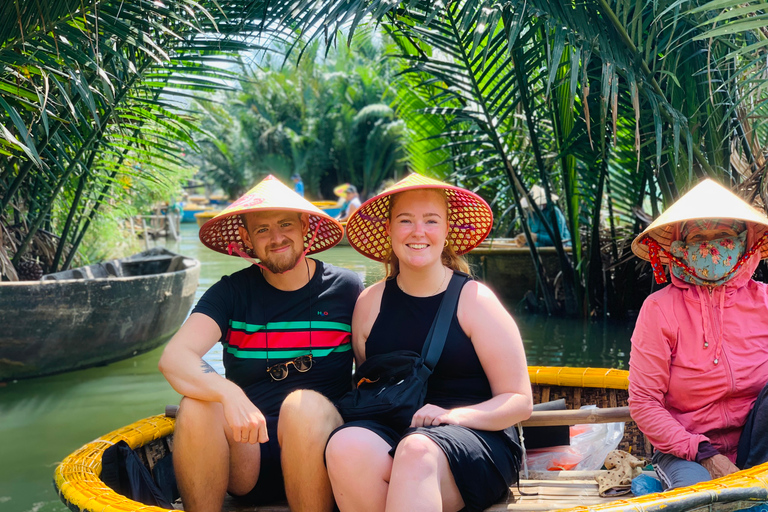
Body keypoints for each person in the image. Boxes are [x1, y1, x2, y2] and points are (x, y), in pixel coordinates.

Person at [326, 173, 533, 512]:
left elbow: (519, 401)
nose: (418, 231)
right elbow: (368, 380)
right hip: (395, 430)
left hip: (476, 435)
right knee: (345, 445)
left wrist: (454, 415)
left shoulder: (476, 300)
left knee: (417, 451)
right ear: (389, 230)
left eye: (431, 221)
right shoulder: (369, 303)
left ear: (447, 230)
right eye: (405, 221)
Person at [159, 175, 363, 512]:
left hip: (322, 449)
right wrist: (228, 392)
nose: (277, 237)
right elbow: (175, 357)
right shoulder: (232, 292)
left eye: (285, 224)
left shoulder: (347, 289)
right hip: (249, 455)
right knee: (196, 404)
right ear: (247, 239)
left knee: (302, 407)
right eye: (263, 229)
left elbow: (374, 369)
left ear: (304, 227)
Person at [628, 179, 768, 490]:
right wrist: (703, 452)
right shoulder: (659, 309)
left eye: (723, 235)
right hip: (687, 450)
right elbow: (644, 403)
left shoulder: (765, 301)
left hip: (756, 443)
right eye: (698, 238)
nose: (711, 245)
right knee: (700, 500)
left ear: (744, 242)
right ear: (680, 249)